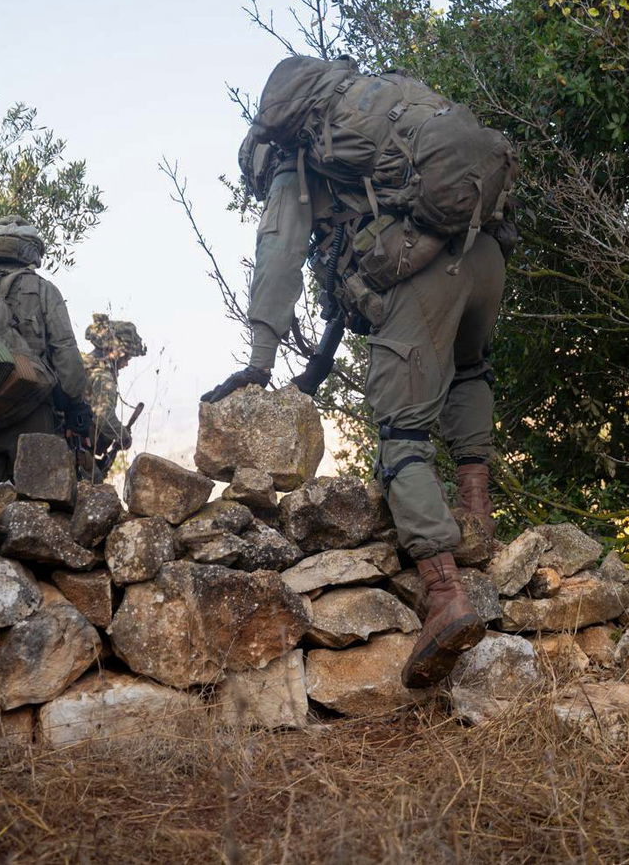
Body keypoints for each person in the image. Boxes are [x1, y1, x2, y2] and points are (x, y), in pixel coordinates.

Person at [202, 61, 508, 688]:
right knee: (471, 370)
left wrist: (260, 360)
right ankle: (478, 519)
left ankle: (445, 594)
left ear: (265, 155)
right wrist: (312, 373)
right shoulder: (385, 109)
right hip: (482, 256)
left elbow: (279, 251)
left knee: (401, 439)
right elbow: (345, 296)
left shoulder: (298, 162)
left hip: (424, 277)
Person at [0, 215, 91, 485]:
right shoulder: (43, 290)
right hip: (35, 415)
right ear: (30, 249)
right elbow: (66, 356)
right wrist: (76, 405)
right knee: (41, 506)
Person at [83, 312, 146, 471]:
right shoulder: (103, 377)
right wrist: (123, 437)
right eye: (127, 357)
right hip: (77, 447)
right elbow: (103, 417)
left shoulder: (86, 365)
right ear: (116, 353)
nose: (126, 363)